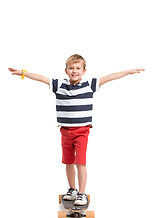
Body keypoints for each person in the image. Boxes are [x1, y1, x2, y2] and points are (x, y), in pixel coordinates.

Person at [8, 54, 145, 205]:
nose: (74, 71)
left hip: (82, 131)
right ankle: (72, 189)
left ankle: (82, 193)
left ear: (84, 71)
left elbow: (110, 77)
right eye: (71, 68)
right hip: (65, 131)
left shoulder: (90, 85)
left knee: (80, 162)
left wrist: (128, 71)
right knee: (68, 162)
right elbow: (41, 78)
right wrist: (23, 73)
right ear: (65, 70)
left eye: (78, 68)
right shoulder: (59, 85)